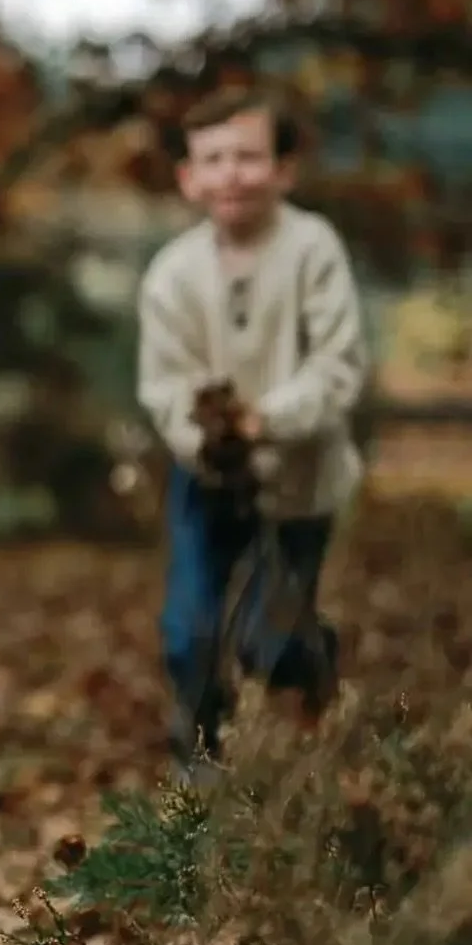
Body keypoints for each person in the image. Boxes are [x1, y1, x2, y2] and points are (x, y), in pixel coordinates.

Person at [136, 85, 368, 774]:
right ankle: (201, 755)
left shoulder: (312, 249)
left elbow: (338, 364)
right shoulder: (172, 274)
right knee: (190, 629)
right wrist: (203, 435)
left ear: (283, 169)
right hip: (207, 474)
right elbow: (164, 384)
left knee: (270, 639)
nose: (231, 172)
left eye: (248, 155)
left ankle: (309, 659)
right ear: (189, 177)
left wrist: (268, 419)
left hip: (301, 477)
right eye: (214, 158)